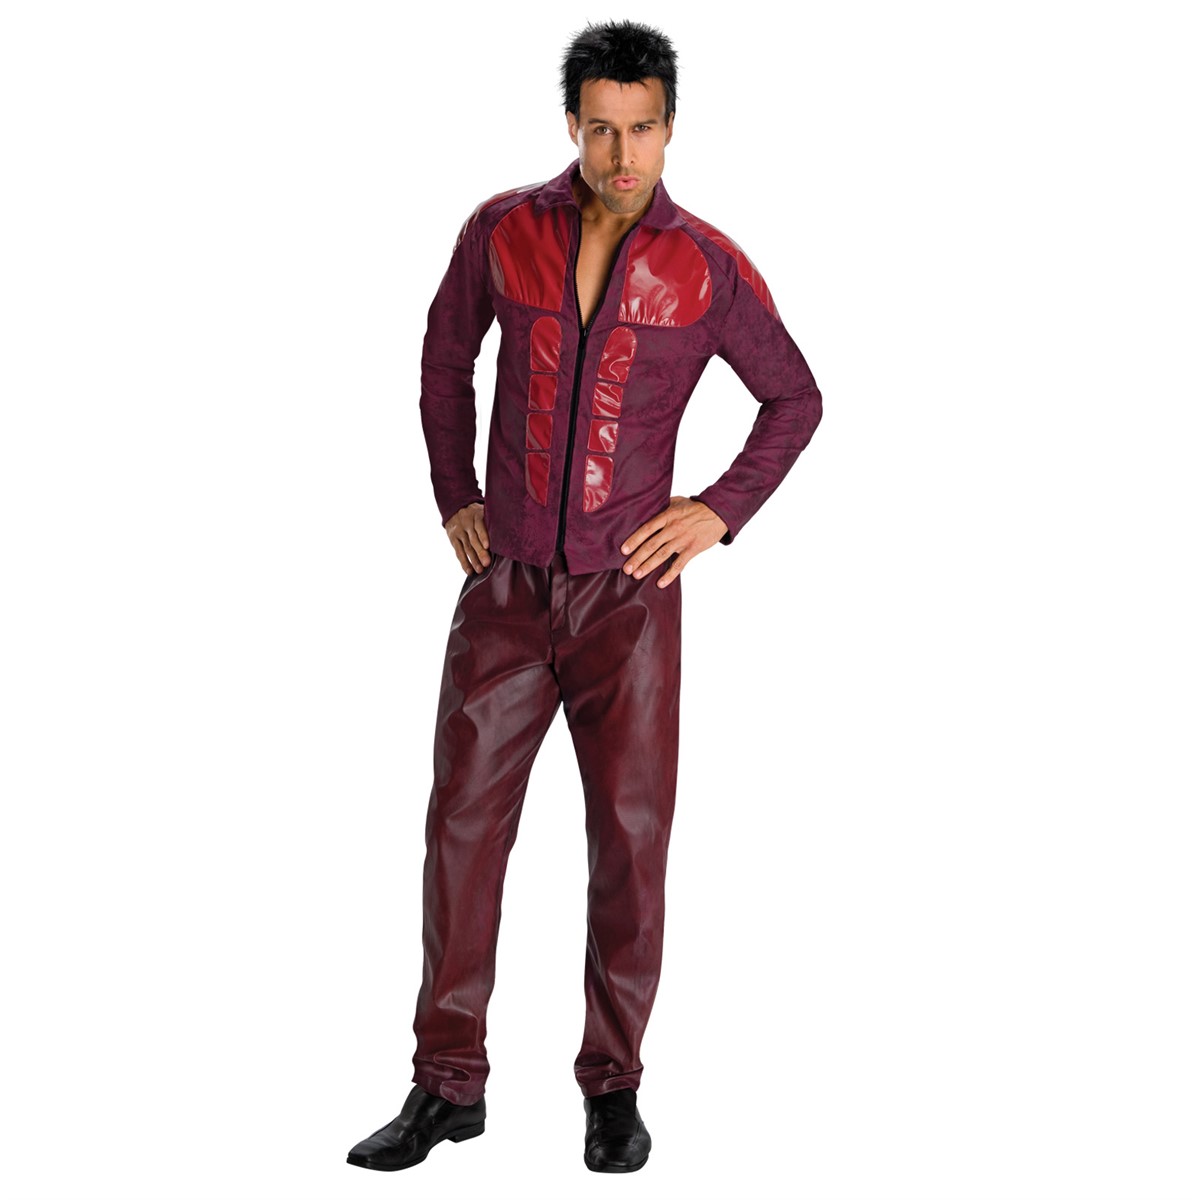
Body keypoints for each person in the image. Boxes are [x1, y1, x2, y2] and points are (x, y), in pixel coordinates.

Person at [346, 18, 822, 1175]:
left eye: (642, 129)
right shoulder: (503, 230)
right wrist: (455, 494)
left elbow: (795, 399)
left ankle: (614, 1088)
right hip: (505, 589)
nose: (621, 154)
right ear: (572, 123)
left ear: (671, 128)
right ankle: (446, 1086)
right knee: (461, 833)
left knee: (630, 843)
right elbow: (443, 358)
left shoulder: (707, 266)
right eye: (601, 129)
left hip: (629, 601)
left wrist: (717, 512)